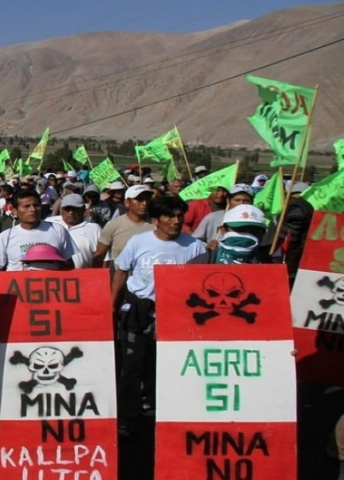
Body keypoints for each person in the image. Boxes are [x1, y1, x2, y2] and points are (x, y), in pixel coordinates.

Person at [112, 196, 205, 436]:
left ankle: (153, 409)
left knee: (163, 366)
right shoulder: (138, 241)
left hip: (174, 317)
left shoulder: (195, 247)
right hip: (137, 314)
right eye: (169, 216)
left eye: (179, 216)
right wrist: (112, 306)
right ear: (155, 220)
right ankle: (126, 416)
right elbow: (121, 273)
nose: (176, 221)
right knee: (130, 367)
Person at [0, 189, 77, 271]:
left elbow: (69, 266)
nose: (33, 210)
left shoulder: (58, 230)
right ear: (14, 211)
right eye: (26, 206)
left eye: (36, 205)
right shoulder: (5, 237)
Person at [92, 185, 154, 268]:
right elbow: (99, 255)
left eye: (148, 199)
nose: (144, 203)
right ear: (127, 203)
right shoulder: (113, 225)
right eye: (139, 199)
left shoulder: (157, 226)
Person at [188, 205, 267, 264]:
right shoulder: (200, 263)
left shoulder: (270, 264)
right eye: (240, 230)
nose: (247, 235)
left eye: (254, 230)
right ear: (223, 230)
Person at [46, 194, 101, 269]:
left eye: (75, 209)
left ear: (83, 209)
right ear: (61, 210)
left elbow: (103, 257)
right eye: (67, 209)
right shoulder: (49, 223)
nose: (71, 212)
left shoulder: (94, 229)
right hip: (52, 274)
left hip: (83, 274)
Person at [278, 181, 314, 284]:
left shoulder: (318, 226)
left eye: (302, 199)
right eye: (293, 199)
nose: (297, 206)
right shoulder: (277, 220)